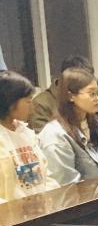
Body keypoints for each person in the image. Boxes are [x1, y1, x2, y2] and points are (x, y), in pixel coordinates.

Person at [38, 67, 98, 185]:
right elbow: (66, 183)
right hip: (77, 195)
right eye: (92, 94)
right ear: (71, 96)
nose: (97, 98)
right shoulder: (55, 134)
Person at [0, 70, 58, 201]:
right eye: (27, 101)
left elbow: (45, 176)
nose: (31, 106)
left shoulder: (25, 132)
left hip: (41, 207)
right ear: (10, 103)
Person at [29, 55, 93, 132]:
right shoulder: (41, 104)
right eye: (82, 81)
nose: (86, 85)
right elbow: (42, 136)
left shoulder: (87, 98)